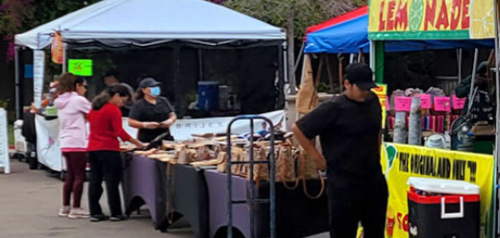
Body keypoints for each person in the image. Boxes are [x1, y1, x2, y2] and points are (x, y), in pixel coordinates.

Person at [293, 63, 388, 238]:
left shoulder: (373, 101)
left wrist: (377, 151)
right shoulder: (333, 107)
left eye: (368, 88)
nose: (365, 93)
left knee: (375, 229)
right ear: (347, 84)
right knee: (343, 231)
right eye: (361, 88)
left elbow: (377, 130)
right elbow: (299, 129)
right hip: (344, 182)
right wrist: (316, 158)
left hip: (373, 178)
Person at [87, 84, 145, 222]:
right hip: (109, 149)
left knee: (95, 181)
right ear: (117, 96)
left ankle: (95, 212)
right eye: (123, 100)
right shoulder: (113, 110)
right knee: (112, 182)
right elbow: (119, 132)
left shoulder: (94, 108)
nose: (122, 104)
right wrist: (138, 143)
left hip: (92, 148)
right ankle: (116, 212)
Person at [55, 73, 92, 219]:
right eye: (84, 86)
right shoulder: (78, 100)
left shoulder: (60, 100)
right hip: (78, 140)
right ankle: (76, 207)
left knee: (70, 173)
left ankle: (66, 206)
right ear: (77, 85)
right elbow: (93, 113)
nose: (85, 89)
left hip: (65, 140)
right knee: (79, 175)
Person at [128, 78, 177, 142]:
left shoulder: (163, 101)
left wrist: (170, 121)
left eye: (156, 86)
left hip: (165, 137)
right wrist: (145, 125)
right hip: (147, 138)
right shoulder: (139, 104)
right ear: (144, 90)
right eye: (152, 87)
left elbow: (172, 114)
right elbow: (131, 122)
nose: (155, 88)